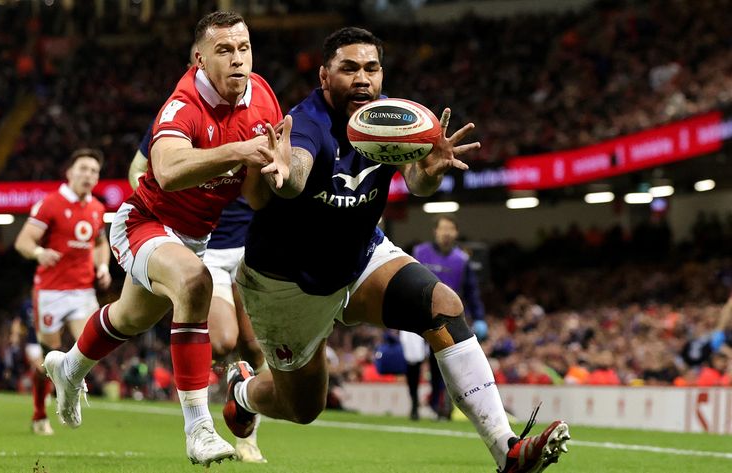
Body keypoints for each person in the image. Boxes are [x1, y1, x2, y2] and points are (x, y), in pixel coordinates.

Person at [224, 27, 570, 472]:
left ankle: (508, 450)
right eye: (348, 68)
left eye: (371, 68)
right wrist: (285, 171)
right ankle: (243, 395)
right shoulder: (307, 123)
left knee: (443, 306)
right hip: (287, 284)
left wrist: (432, 170)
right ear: (325, 77)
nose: (362, 79)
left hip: (361, 258)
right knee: (304, 408)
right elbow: (296, 173)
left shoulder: (390, 118)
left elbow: (418, 182)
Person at [42, 11, 286, 466]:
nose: (238, 60)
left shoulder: (264, 99)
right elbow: (169, 172)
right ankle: (199, 430)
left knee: (129, 319)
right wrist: (240, 150)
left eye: (244, 48)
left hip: (195, 236)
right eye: (224, 50)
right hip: (144, 222)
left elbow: (253, 198)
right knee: (196, 282)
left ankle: (68, 367)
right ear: (199, 58)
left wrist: (272, 166)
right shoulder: (184, 103)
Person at [129, 126, 268, 463]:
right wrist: (163, 203)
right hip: (209, 251)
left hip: (252, 248)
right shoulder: (178, 120)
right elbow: (137, 169)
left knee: (254, 346)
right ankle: (231, 388)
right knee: (222, 342)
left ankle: (249, 435)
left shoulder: (256, 116)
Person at [13, 148, 111, 436]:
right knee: (49, 356)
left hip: (82, 291)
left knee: (90, 347)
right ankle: (39, 413)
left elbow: (99, 243)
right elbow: (23, 241)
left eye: (94, 171)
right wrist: (39, 252)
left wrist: (103, 267)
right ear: (69, 172)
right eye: (83, 168)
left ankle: (67, 393)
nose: (89, 175)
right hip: (50, 292)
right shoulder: (50, 204)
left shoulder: (97, 208)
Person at [413, 215, 488, 419]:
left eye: (450, 229)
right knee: (414, 360)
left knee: (444, 363)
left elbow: (472, 292)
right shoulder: (420, 253)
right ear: (435, 231)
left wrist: (479, 317)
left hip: (448, 319)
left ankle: (441, 406)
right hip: (417, 315)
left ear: (456, 232)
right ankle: (414, 406)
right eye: (442, 228)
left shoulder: (462, 260)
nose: (446, 233)